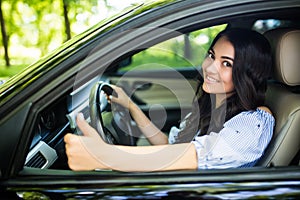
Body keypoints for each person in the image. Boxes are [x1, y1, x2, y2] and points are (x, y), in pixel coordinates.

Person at [64, 28, 275, 172]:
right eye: (211, 55)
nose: (210, 68)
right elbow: (170, 145)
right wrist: (131, 107)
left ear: (247, 74)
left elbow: (194, 156)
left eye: (226, 64)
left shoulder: (255, 121)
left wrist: (106, 155)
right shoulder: (210, 105)